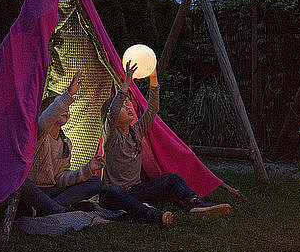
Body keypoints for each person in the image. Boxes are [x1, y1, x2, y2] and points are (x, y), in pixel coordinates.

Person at [98, 61, 231, 224]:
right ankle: (152, 215)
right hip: (111, 197)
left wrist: (154, 78)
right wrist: (126, 84)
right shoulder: (111, 137)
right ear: (113, 118)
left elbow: (152, 109)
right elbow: (112, 112)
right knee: (115, 191)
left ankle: (196, 205)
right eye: (123, 106)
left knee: (172, 178)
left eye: (128, 104)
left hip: (135, 191)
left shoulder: (136, 131)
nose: (128, 107)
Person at [19, 70, 104, 217]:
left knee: (95, 181)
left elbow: (60, 179)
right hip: (31, 190)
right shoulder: (38, 134)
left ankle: (45, 209)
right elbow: (46, 120)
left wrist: (88, 169)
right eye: (61, 107)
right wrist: (68, 95)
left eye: (67, 108)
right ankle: (56, 209)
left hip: (51, 190)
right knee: (20, 182)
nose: (66, 110)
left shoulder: (66, 143)